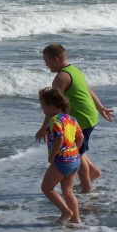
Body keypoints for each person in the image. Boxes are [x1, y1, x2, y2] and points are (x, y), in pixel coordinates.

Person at [36, 43, 114, 193]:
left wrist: (44, 128)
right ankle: (93, 172)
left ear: (56, 59)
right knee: (78, 150)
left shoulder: (60, 78)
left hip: (81, 119)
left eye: (47, 62)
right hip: (89, 115)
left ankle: (87, 187)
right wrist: (100, 108)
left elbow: (52, 105)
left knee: (77, 153)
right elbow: (88, 90)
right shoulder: (74, 70)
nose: (46, 65)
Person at [39, 87, 84, 224]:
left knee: (46, 188)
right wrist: (75, 150)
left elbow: (59, 138)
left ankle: (66, 212)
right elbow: (80, 136)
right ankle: (76, 220)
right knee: (68, 191)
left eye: (43, 108)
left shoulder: (55, 120)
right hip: (74, 160)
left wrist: (52, 156)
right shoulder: (71, 119)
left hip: (62, 160)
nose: (43, 111)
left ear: (51, 107)